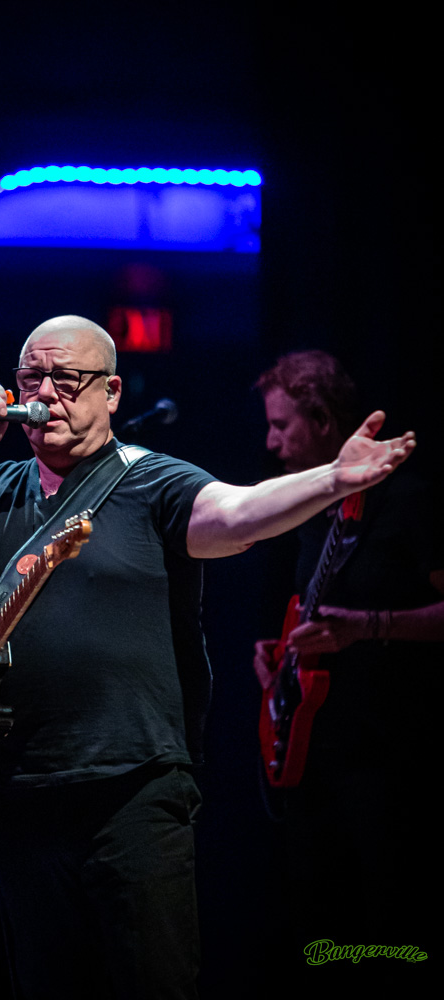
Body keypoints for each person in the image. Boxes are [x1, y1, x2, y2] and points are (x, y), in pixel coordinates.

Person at [0, 319, 415, 1000]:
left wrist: (333, 479)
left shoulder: (149, 480)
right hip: (20, 795)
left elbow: (238, 513)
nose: (43, 394)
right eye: (30, 379)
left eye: (64, 379)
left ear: (110, 392)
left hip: (133, 791)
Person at [252, 350, 443, 964]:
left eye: (282, 425)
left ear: (323, 421)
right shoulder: (314, 512)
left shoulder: (407, 501)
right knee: (315, 932)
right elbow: (315, 608)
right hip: (317, 757)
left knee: (388, 931)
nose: (271, 441)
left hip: (390, 757)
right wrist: (283, 653)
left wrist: (367, 627)